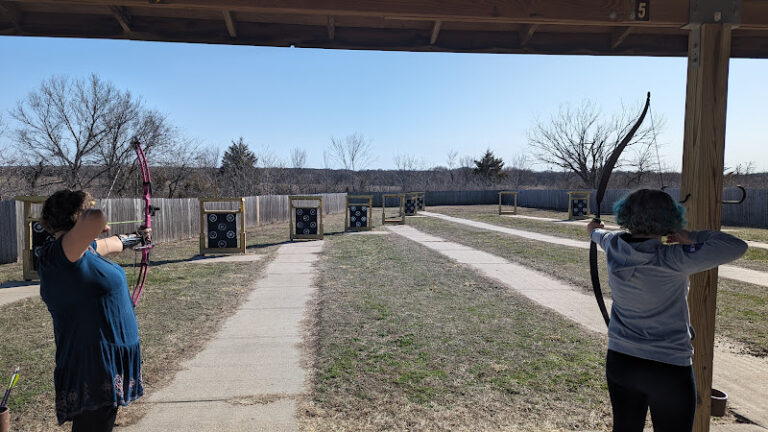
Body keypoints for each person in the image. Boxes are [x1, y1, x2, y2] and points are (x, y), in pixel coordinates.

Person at [587, 188, 747, 432]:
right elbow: (736, 246)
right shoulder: (674, 257)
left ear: (626, 214)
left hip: (621, 362)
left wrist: (593, 228)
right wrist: (689, 236)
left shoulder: (614, 245)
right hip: (667, 369)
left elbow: (596, 233)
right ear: (669, 220)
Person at [37, 189, 146, 432]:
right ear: (76, 216)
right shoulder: (60, 256)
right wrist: (95, 217)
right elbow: (96, 219)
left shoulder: (85, 251)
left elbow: (113, 243)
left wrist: (138, 238)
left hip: (106, 360)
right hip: (93, 364)